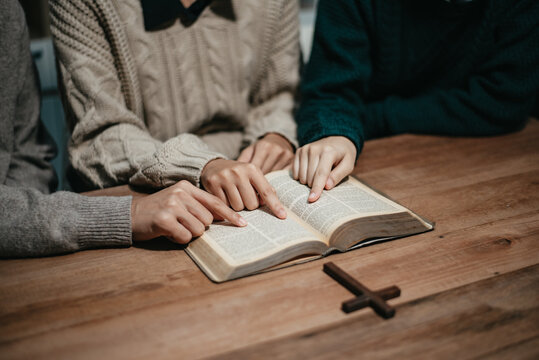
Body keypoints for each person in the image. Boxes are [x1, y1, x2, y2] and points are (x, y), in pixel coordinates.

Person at [0, 0, 245, 258]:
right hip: (127, 203)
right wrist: (126, 214)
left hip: (57, 234)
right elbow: (100, 135)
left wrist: (29, 226)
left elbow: (28, 157)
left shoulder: (9, 11)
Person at [49, 0, 301, 219]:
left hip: (252, 184)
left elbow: (279, 95)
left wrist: (275, 134)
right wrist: (202, 164)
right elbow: (100, 137)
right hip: (140, 197)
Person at [294, 0, 539, 202]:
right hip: (375, 166)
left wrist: (370, 118)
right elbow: (328, 91)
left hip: (490, 167)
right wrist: (336, 132)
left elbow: (504, 100)